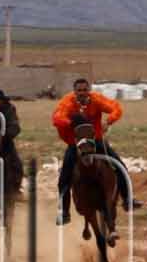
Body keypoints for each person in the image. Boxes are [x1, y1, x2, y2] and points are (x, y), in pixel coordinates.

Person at [52, 77, 132, 225]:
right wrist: (72, 122)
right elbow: (56, 118)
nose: (82, 93)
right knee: (64, 177)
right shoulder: (67, 103)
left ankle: (127, 199)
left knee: (120, 166)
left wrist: (108, 121)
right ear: (74, 92)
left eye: (85, 90)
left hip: (96, 140)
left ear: (89, 91)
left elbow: (116, 108)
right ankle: (64, 212)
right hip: (76, 143)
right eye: (79, 90)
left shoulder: (97, 100)